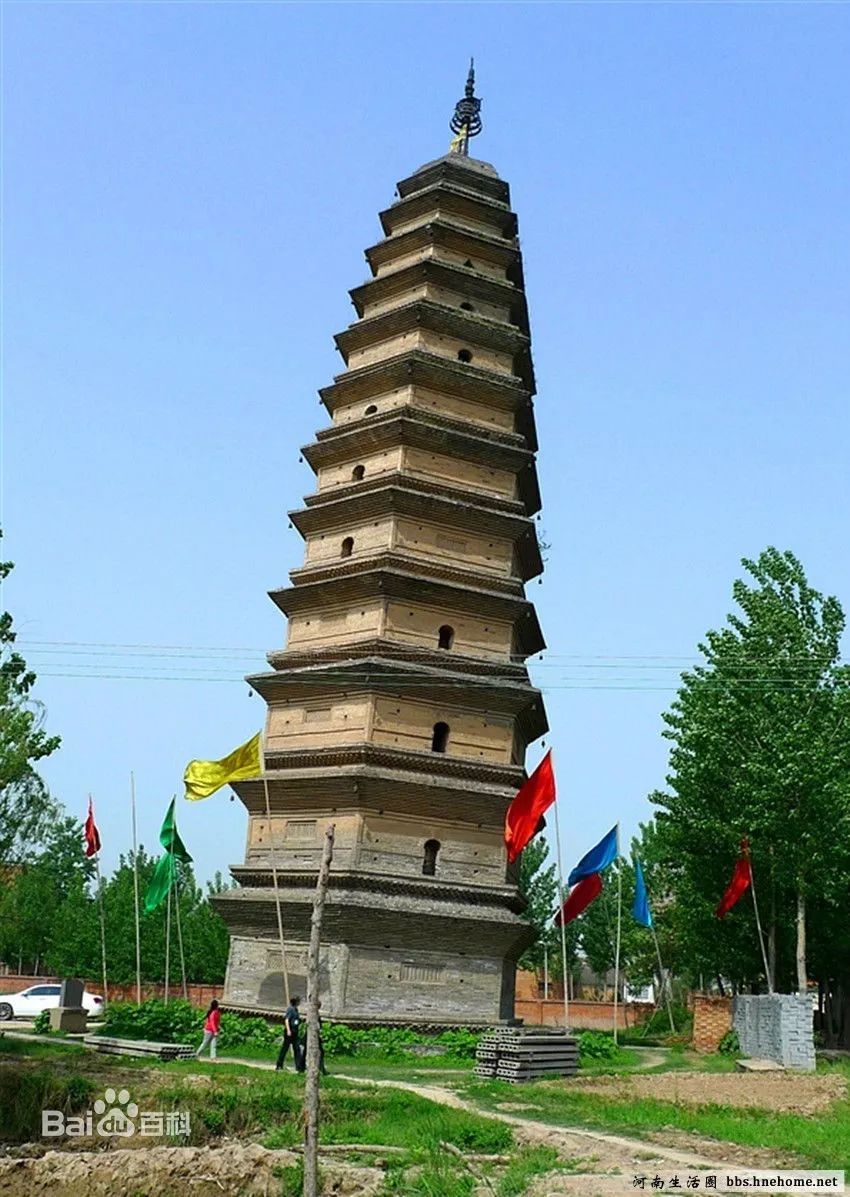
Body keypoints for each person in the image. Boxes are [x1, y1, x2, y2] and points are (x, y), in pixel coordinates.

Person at [297, 999, 328, 1076]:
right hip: (312, 1036)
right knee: (316, 1052)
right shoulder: (313, 1014)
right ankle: (319, 1068)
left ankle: (302, 1067)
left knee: (308, 1052)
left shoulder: (316, 1014)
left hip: (314, 1035)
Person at [275, 995, 302, 1071]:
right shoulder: (290, 1009)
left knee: (297, 1049)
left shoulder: (296, 1010)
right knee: (285, 1048)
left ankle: (299, 1066)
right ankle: (279, 1064)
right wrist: (288, 1030)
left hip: (295, 1032)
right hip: (289, 1032)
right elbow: (286, 1020)